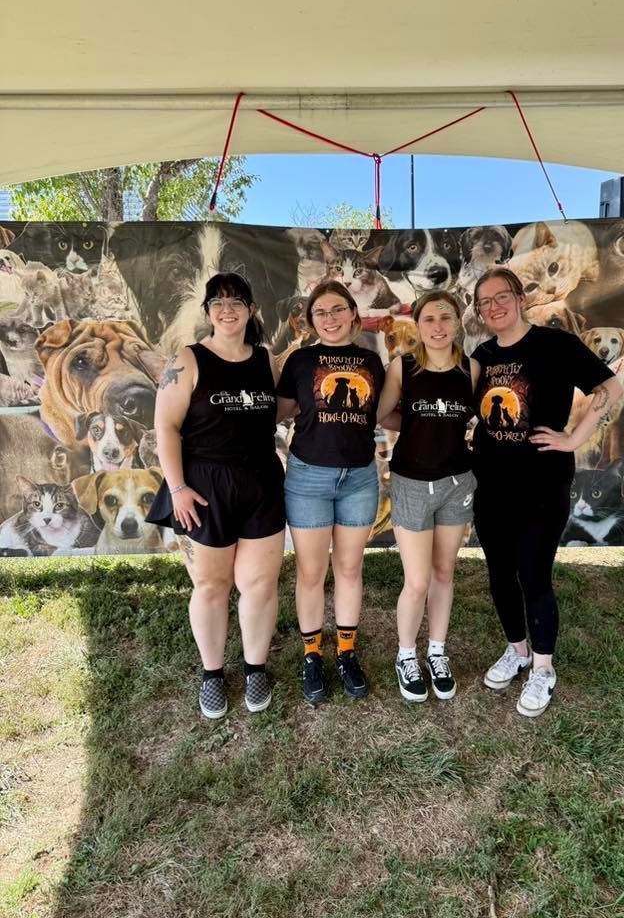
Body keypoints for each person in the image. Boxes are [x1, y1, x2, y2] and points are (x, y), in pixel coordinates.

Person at [470, 266, 623, 717]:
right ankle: (516, 651)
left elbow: (610, 386)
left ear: (520, 298)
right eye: (485, 303)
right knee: (499, 574)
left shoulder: (556, 345)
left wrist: (575, 437)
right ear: (479, 313)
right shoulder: (481, 354)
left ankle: (542, 668)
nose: (494, 307)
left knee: (533, 573)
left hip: (542, 482)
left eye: (501, 297)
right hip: (491, 482)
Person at [147, 272, 285, 719]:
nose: (228, 310)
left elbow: (286, 408)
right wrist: (177, 488)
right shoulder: (187, 361)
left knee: (260, 584)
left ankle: (255, 668)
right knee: (211, 586)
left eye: (237, 301)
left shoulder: (268, 362)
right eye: (219, 302)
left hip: (262, 483)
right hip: (203, 489)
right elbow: (164, 427)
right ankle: (212, 674)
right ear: (207, 312)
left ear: (251, 310)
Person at [276, 280, 385, 704]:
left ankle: (345, 651)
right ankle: (311, 654)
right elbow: (281, 411)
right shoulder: (300, 361)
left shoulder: (371, 362)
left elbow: (385, 411)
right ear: (311, 320)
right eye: (321, 312)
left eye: (338, 309)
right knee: (310, 571)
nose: (330, 318)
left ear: (353, 315)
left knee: (350, 567)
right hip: (308, 479)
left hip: (358, 477)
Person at [376, 290, 479, 703]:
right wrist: (415, 425)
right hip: (413, 483)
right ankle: (406, 654)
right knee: (417, 581)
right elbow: (383, 413)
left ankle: (437, 651)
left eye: (445, 318)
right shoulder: (403, 367)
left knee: (444, 573)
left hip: (457, 483)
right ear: (417, 325)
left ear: (457, 323)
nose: (438, 326)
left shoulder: (472, 369)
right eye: (429, 319)